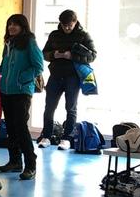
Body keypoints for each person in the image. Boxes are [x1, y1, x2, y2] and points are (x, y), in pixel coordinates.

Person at [39, 9, 97, 150]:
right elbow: (44, 53)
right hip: (55, 75)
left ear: (75, 22)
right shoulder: (54, 35)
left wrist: (72, 56)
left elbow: (93, 56)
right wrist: (54, 55)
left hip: (73, 76)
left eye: (69, 26)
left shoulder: (83, 35)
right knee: (49, 107)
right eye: (64, 25)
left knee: (71, 108)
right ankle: (46, 136)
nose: (66, 28)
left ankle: (67, 138)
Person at [0, 14, 45, 180]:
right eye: (10, 24)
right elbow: (5, 64)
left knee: (21, 128)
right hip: (6, 91)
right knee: (10, 128)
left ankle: (31, 164)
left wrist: (22, 78)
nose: (12, 27)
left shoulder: (29, 42)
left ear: (23, 26)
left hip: (22, 91)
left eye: (15, 24)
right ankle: (15, 161)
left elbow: (38, 66)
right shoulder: (8, 43)